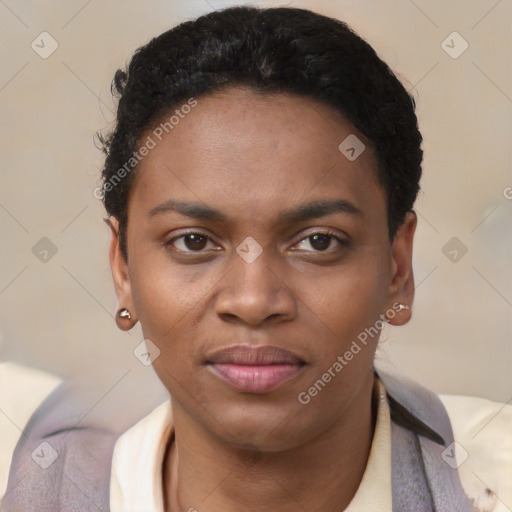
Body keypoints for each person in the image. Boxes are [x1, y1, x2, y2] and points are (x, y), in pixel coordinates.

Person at [1, 5, 510, 512]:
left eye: (318, 241)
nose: (253, 300)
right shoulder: (29, 476)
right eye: (194, 242)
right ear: (123, 268)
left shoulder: (493, 480)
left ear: (398, 267)